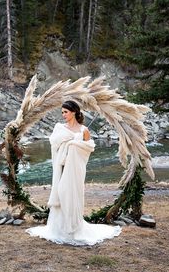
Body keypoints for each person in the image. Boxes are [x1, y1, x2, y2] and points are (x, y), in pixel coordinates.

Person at [26, 100, 121, 245]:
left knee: (72, 194)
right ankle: (60, 229)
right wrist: (67, 143)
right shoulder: (59, 128)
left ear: (74, 112)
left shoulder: (84, 130)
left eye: (66, 112)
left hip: (76, 169)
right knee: (62, 191)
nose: (63, 115)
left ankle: (74, 228)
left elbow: (89, 149)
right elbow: (54, 144)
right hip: (62, 167)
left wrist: (74, 143)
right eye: (62, 112)